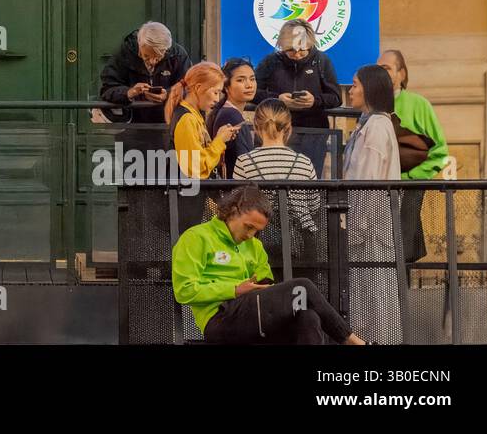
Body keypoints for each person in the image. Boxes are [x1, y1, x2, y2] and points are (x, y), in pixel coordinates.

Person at [172, 184, 364, 345]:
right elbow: (184, 291)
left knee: (308, 316)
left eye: (256, 231)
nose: (250, 235)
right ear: (233, 211)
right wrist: (234, 289)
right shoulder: (196, 237)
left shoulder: (254, 245)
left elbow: (265, 285)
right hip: (220, 319)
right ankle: (353, 341)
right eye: (248, 226)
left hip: (254, 313)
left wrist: (261, 289)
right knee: (302, 287)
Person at [343, 64, 403, 345]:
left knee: (373, 292)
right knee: (367, 291)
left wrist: (356, 225)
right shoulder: (370, 124)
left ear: (370, 88)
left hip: (369, 228)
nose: (351, 90)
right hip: (367, 225)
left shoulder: (377, 127)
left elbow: (366, 181)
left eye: (355, 84)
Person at [378, 49, 449, 276]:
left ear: (402, 74)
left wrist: (410, 178)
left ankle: (403, 310)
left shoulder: (419, 104)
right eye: (379, 69)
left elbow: (440, 151)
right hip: (378, 190)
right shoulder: (371, 107)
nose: (382, 73)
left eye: (387, 68)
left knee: (403, 252)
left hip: (409, 190)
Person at [253, 19, 342, 176]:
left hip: (313, 133)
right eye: (291, 50)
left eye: (303, 50)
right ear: (282, 47)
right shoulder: (271, 62)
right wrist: (277, 99)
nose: (297, 55)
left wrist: (314, 101)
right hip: (275, 132)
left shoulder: (321, 61)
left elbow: (335, 97)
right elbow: (253, 92)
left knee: (308, 179)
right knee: (273, 177)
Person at [232, 99, 321, 247]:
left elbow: (238, 205)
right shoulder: (304, 162)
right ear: (288, 127)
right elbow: (314, 205)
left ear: (256, 126)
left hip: (258, 239)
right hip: (303, 242)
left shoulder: (245, 162)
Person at [166, 61, 240, 235]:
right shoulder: (187, 119)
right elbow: (196, 168)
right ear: (199, 88)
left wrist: (219, 139)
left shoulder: (193, 115)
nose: (217, 98)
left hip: (190, 199)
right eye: (215, 92)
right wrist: (219, 141)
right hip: (186, 202)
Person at [99, 20, 192, 123]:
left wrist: (168, 94)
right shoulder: (124, 54)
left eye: (158, 57)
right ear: (139, 44)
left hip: (168, 124)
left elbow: (189, 87)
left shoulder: (178, 56)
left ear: (166, 50)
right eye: (146, 56)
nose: (152, 62)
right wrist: (130, 92)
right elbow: (107, 89)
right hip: (131, 126)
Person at [210, 57, 256, 175]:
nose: (249, 85)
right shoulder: (230, 115)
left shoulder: (228, 111)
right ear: (226, 86)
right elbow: (244, 162)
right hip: (235, 186)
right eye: (241, 80)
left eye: (252, 79)